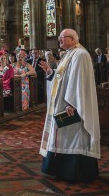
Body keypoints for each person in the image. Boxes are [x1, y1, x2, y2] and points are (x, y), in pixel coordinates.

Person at [38, 29, 100, 183]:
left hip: (72, 106)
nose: (59, 41)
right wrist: (50, 73)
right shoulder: (70, 54)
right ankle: (60, 169)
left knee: (74, 137)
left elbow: (77, 81)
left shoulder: (80, 54)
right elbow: (63, 79)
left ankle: (74, 172)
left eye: (62, 38)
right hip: (64, 104)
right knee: (65, 136)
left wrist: (72, 102)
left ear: (72, 39)